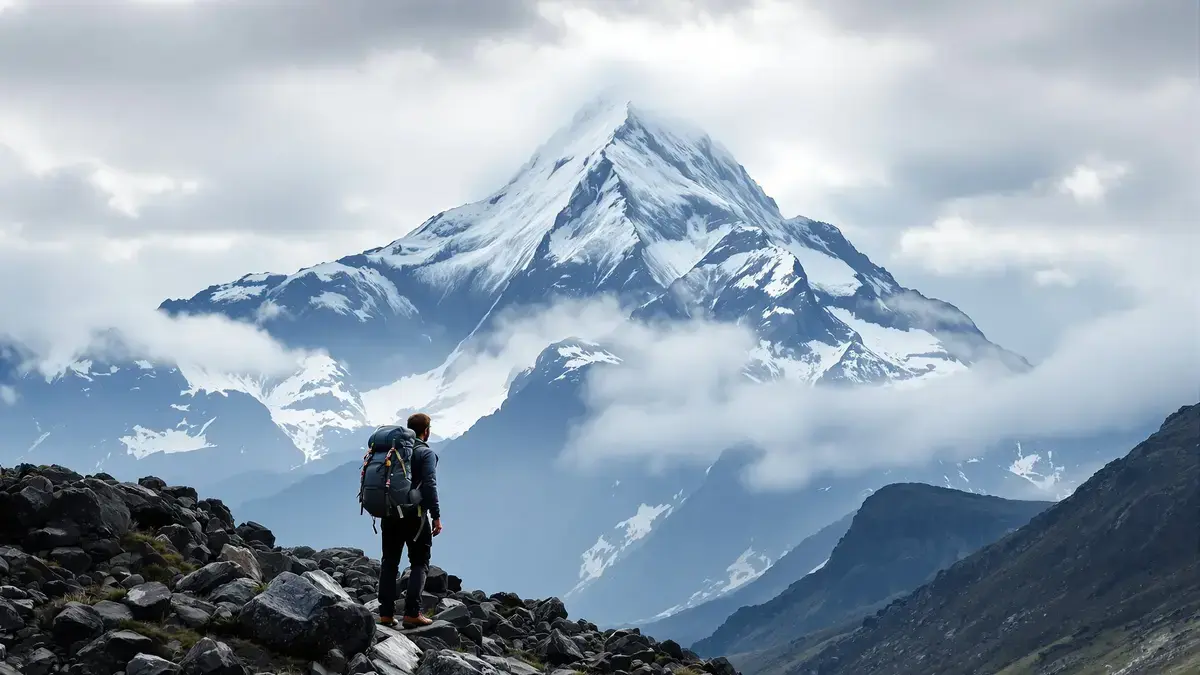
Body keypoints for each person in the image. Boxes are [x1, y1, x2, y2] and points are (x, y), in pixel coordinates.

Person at [377, 412, 443, 628]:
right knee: (419, 562)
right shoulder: (425, 453)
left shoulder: (393, 451)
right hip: (415, 517)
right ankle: (412, 613)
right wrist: (436, 516)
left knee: (389, 562)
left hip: (389, 514)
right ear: (426, 431)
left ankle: (386, 614)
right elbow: (430, 485)